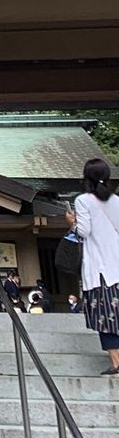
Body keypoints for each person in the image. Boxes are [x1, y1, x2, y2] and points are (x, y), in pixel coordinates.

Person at [69, 158, 119, 375]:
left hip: (99, 269)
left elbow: (84, 231)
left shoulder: (83, 201)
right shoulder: (116, 200)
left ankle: (116, 362)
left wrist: (71, 221)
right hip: (116, 264)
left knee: (104, 316)